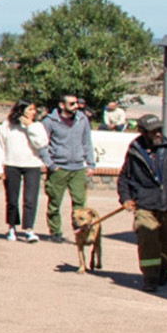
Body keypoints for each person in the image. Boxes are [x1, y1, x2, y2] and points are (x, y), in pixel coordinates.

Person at [117, 112, 167, 291]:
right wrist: (125, 198)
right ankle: (150, 278)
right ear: (143, 133)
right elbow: (124, 177)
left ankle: (163, 269)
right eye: (154, 131)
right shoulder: (134, 151)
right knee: (147, 240)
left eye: (160, 130)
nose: (158, 134)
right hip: (145, 204)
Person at [40, 92, 95, 241]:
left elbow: (87, 142)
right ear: (62, 105)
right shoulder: (49, 121)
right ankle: (55, 232)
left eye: (76, 103)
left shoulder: (82, 119)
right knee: (54, 202)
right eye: (72, 103)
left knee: (79, 201)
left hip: (78, 167)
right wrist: (50, 164)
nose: (76, 106)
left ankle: (79, 230)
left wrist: (90, 164)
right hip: (59, 167)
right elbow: (41, 144)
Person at [0, 100, 47, 241]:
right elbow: (1, 145)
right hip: (12, 165)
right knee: (12, 199)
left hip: (32, 166)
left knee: (30, 199)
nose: (34, 112)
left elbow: (41, 143)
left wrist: (29, 127)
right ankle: (11, 227)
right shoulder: (7, 125)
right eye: (30, 109)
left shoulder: (37, 126)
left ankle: (29, 229)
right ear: (21, 111)